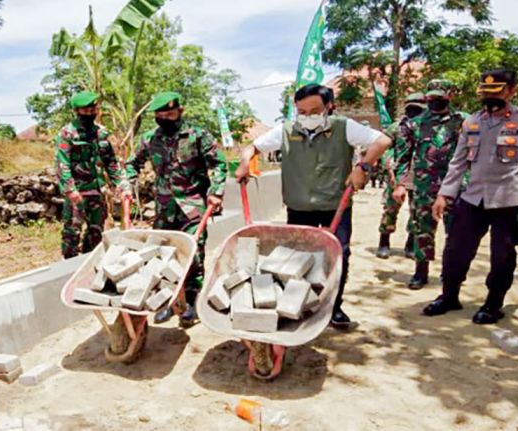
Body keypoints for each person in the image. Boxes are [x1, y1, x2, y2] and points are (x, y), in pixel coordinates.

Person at [236, 84, 392, 328]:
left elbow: (382, 140)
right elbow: (252, 147)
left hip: (335, 206)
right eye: (302, 111)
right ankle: (298, 305)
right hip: (299, 207)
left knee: (337, 257)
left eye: (315, 110)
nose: (308, 117)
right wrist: (246, 162)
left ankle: (334, 307)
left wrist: (363, 167)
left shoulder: (343, 127)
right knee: (297, 259)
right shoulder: (286, 131)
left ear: (329, 107)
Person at [424, 69, 518, 324]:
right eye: (486, 93)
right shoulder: (472, 122)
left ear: (511, 91)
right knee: (455, 249)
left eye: (497, 92)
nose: (490, 97)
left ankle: (493, 304)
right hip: (473, 197)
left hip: (510, 200)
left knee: (502, 254)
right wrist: (445, 195)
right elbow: (458, 162)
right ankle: (449, 296)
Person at [125, 92, 227, 327]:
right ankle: (170, 301)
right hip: (164, 207)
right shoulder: (150, 138)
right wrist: (127, 183)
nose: (165, 118)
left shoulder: (197, 135)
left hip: (192, 206)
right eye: (160, 115)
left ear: (180, 111)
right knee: (164, 255)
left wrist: (216, 190)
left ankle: (193, 301)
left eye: (169, 114)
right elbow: (132, 163)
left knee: (192, 253)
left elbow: (219, 163)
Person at [393, 80, 466, 289]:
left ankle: (450, 274)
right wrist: (400, 184)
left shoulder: (463, 122)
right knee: (422, 231)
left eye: (439, 98)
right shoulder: (414, 124)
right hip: (424, 187)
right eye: (431, 98)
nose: (434, 102)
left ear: (449, 96)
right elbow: (403, 156)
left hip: (455, 187)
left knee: (456, 233)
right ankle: (420, 272)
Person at [55, 91, 129, 259]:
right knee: (72, 231)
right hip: (77, 192)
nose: (90, 113)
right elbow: (62, 163)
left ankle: (90, 262)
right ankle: (69, 265)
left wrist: (120, 182)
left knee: (96, 231)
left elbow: (110, 161)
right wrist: (70, 190)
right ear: (76, 111)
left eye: (92, 109)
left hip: (98, 191)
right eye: (85, 111)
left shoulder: (101, 133)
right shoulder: (67, 133)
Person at [376, 92, 426, 259]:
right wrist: (389, 169)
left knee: (417, 212)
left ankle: (410, 244)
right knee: (391, 209)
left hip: (420, 177)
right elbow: (385, 149)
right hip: (397, 175)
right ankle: (384, 242)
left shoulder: (428, 128)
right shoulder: (396, 127)